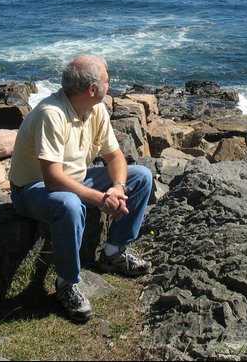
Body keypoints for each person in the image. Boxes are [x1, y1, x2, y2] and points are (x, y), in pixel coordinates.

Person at [9, 54, 153, 322]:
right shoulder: (51, 114)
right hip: (32, 189)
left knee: (141, 176)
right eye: (108, 80)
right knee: (69, 204)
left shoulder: (95, 108)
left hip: (77, 177)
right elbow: (52, 179)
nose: (111, 84)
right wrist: (101, 199)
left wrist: (118, 187)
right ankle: (66, 284)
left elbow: (115, 157)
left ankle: (114, 253)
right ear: (92, 89)